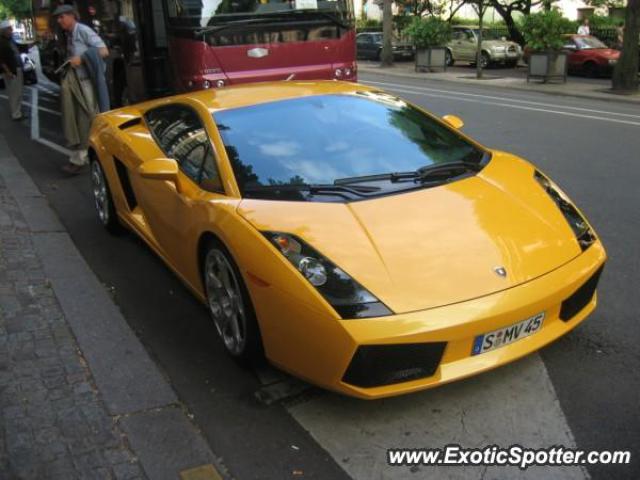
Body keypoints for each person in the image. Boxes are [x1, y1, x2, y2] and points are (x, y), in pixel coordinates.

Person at [54, 4, 109, 175]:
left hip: (85, 82)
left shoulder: (83, 30)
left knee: (87, 119)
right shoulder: (69, 34)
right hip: (76, 81)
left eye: (62, 17)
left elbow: (104, 51)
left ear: (72, 16)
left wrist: (82, 59)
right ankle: (83, 156)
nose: (59, 20)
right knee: (78, 119)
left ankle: (86, 157)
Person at [0, 20, 25, 121]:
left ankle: (16, 112)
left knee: (16, 92)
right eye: (9, 29)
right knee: (15, 93)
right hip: (12, 71)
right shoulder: (2, 42)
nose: (11, 30)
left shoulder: (10, 40)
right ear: (4, 30)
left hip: (15, 69)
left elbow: (20, 49)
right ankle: (16, 114)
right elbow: (1, 59)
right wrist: (8, 71)